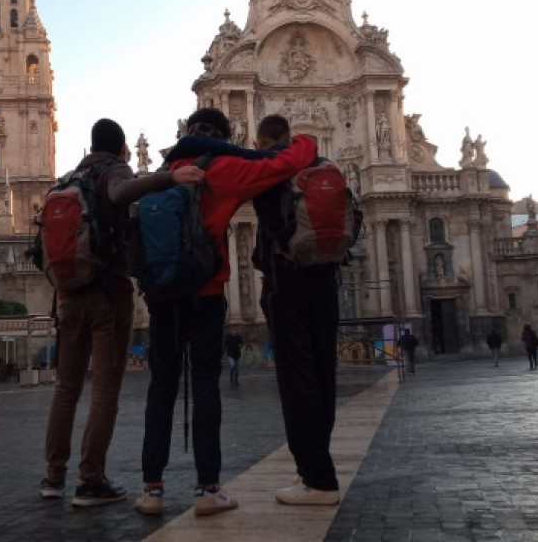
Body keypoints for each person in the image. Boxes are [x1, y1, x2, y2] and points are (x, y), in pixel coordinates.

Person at [135, 107, 317, 517]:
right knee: (204, 386)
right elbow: (287, 161)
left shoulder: (166, 169)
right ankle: (208, 490)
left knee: (161, 388)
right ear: (224, 134)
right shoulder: (225, 167)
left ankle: (151, 490)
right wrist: (306, 140)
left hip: (162, 296)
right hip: (206, 292)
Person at [40, 118, 205, 507]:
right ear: (121, 148)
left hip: (67, 295)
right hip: (106, 296)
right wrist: (170, 180)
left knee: (66, 389)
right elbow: (120, 192)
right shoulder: (113, 169)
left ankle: (52, 477)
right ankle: (90, 481)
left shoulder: (68, 177)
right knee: (104, 391)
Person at [251, 114, 341, 507]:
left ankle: (317, 479)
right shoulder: (324, 166)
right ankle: (315, 467)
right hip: (327, 281)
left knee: (297, 379)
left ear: (260, 141)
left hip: (287, 284)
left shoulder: (269, 170)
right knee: (323, 375)